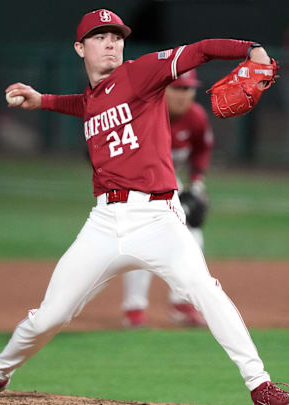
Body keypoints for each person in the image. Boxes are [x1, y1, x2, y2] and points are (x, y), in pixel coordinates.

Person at [0, 9, 289, 405]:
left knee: (205, 290)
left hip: (157, 219)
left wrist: (251, 49)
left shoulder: (141, 74)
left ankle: (261, 386)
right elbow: (88, 105)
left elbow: (200, 50)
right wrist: (42, 100)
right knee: (50, 315)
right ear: (80, 48)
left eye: (116, 36)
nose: (111, 42)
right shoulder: (95, 97)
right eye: (100, 37)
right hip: (103, 223)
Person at [122, 68, 211, 328]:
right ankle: (134, 311)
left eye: (189, 89)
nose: (185, 95)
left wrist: (196, 183)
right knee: (142, 245)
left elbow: (202, 149)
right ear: (163, 90)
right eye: (178, 89)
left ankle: (182, 305)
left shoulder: (196, 117)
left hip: (170, 184)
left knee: (193, 236)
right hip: (133, 184)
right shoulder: (142, 115)